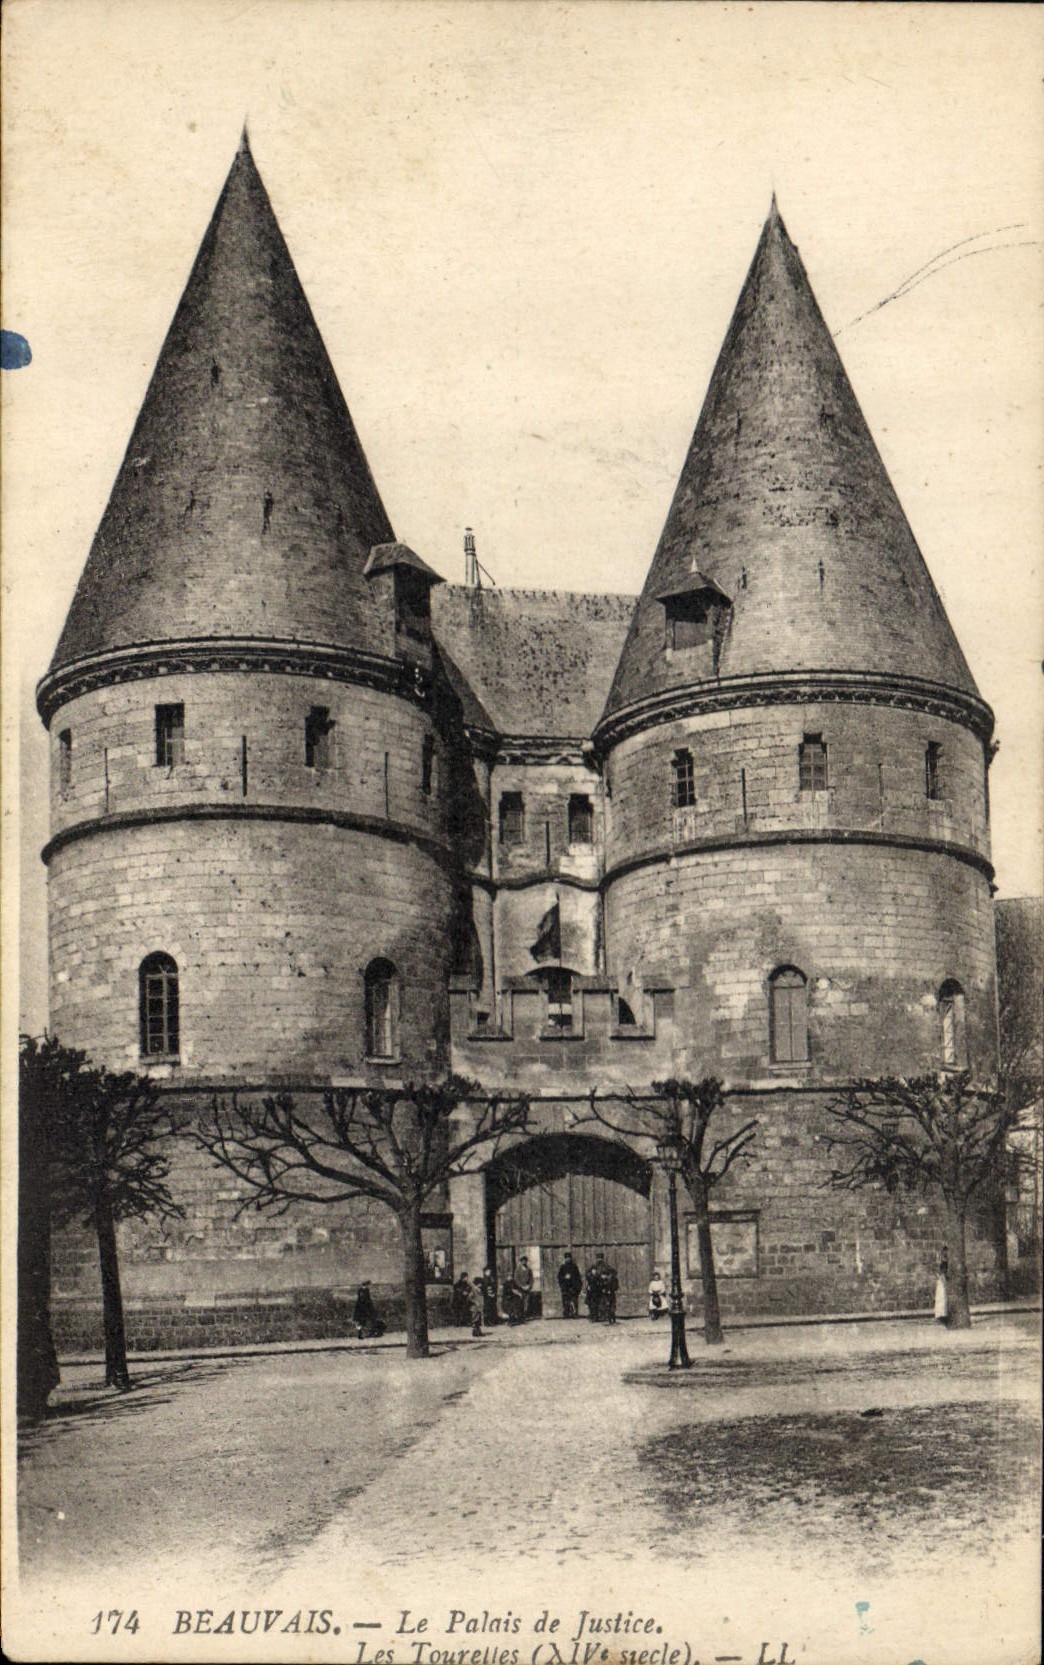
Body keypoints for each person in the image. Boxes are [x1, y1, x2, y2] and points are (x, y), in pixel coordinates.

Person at [557, 1252, 582, 1318]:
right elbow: (559, 1277)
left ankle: (575, 1313)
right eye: (566, 1258)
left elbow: (578, 1277)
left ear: (571, 1258)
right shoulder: (562, 1267)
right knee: (565, 1301)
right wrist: (564, 1278)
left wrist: (577, 1286)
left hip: (573, 1287)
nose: (568, 1259)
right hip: (565, 1287)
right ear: (565, 1259)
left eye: (569, 1258)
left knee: (574, 1301)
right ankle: (566, 1314)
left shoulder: (574, 1267)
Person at [585, 1253, 607, 1322]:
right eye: (598, 1258)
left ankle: (601, 1315)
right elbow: (587, 1274)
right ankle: (594, 1316)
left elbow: (612, 1273)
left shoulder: (606, 1266)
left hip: (601, 1286)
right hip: (593, 1287)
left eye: (600, 1258)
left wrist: (605, 1277)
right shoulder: (593, 1266)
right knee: (593, 1302)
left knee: (602, 1302)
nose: (599, 1260)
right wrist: (591, 1274)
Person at [514, 1255, 534, 1320]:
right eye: (522, 1261)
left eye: (525, 1261)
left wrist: (529, 1286)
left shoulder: (529, 1269)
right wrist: (521, 1286)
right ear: (520, 1262)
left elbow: (531, 1279)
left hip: (527, 1288)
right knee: (520, 1301)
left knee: (527, 1302)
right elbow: (516, 1279)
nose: (524, 1262)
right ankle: (520, 1316)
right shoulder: (517, 1270)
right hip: (520, 1289)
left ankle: (525, 1315)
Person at [934, 1249, 949, 1324]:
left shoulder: (944, 1262)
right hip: (942, 1280)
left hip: (942, 1279)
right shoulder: (943, 1262)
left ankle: (942, 1314)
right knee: (942, 1297)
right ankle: (941, 1314)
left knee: (942, 1297)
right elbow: (941, 1272)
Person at [603, 1258, 619, 1324]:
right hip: (607, 1294)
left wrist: (610, 1290)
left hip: (611, 1294)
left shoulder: (614, 1280)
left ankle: (612, 1318)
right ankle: (610, 1319)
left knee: (612, 1306)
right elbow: (602, 1286)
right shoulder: (605, 1280)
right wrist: (604, 1290)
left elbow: (616, 1287)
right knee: (608, 1306)